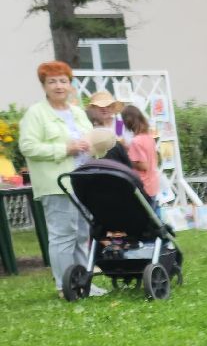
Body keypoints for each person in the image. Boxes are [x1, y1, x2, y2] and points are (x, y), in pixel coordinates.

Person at [18, 61, 103, 298]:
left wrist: (97, 143)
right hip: (57, 185)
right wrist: (64, 148)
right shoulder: (36, 114)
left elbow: (91, 139)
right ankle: (65, 285)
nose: (58, 86)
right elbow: (28, 146)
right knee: (63, 235)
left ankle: (84, 282)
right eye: (52, 81)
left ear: (70, 85)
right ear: (44, 86)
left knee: (82, 234)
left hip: (84, 182)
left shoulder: (77, 112)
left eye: (63, 81)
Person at [121, 105, 161, 207]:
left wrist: (127, 160)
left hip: (143, 187)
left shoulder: (135, 141)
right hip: (153, 185)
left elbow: (144, 165)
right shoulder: (149, 138)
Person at [85, 94, 133, 170]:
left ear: (113, 108)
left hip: (119, 165)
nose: (104, 109)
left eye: (108, 106)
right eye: (100, 107)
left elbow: (130, 146)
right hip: (98, 167)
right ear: (93, 109)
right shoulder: (89, 126)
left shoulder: (118, 124)